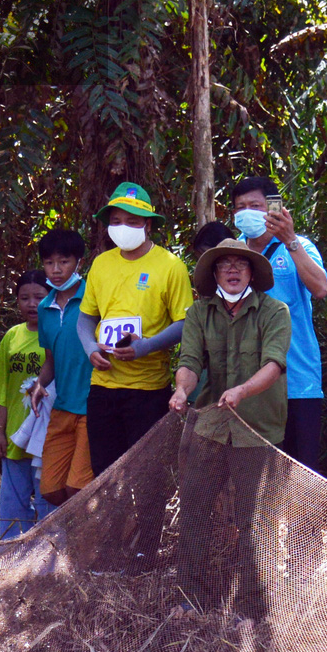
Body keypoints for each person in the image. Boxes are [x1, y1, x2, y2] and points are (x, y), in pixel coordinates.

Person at [167, 239, 289, 614]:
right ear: (214, 274)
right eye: (225, 265)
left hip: (258, 429)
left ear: (252, 273)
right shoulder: (199, 313)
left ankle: (252, 607)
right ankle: (191, 600)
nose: (233, 270)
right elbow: (189, 361)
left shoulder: (275, 311)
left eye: (241, 264)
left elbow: (273, 364)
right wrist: (181, 390)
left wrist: (242, 390)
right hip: (210, 427)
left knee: (257, 521)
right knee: (194, 510)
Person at [80, 182, 192, 475]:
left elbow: (185, 323)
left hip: (148, 390)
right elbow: (85, 318)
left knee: (148, 478)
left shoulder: (170, 266)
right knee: (104, 476)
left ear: (148, 225)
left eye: (132, 221)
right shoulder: (101, 264)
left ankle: (147, 524)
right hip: (103, 387)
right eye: (116, 221)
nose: (122, 227)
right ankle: (111, 524)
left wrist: (145, 346)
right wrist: (91, 349)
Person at [230, 177, 327, 470]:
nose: (247, 211)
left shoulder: (298, 247)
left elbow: (320, 288)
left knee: (299, 475)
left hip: (298, 382)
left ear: (274, 208)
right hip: (246, 386)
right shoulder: (231, 253)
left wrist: (290, 240)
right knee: (253, 477)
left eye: (255, 205)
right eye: (240, 207)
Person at [34, 228, 94, 505]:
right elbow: (51, 359)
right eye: (49, 263)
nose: (56, 270)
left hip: (93, 405)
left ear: (78, 262)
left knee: (78, 488)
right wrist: (39, 385)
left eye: (63, 262)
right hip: (63, 406)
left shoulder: (94, 298)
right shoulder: (44, 307)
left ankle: (89, 547)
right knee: (51, 489)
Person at [0, 269, 52, 539]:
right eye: (24, 298)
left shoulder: (58, 333)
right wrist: (0, 430)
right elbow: (2, 388)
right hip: (16, 433)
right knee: (13, 502)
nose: (32, 304)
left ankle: (47, 560)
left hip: (48, 434)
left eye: (39, 297)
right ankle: (10, 560)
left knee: (47, 499)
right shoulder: (12, 337)